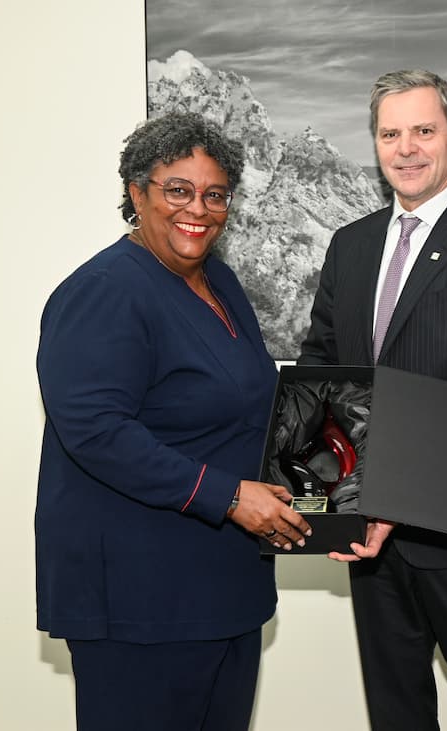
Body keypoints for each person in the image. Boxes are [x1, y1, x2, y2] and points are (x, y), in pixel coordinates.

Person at [35, 111, 312, 731]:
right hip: (141, 599)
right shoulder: (103, 290)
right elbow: (97, 432)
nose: (200, 209)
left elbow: (244, 406)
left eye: (216, 194)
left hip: (222, 588)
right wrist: (228, 496)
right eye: (178, 190)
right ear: (137, 192)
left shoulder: (218, 279)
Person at [298, 70, 447, 730]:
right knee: (396, 712)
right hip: (370, 537)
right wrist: (330, 495)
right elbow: (323, 369)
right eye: (389, 133)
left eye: (423, 131)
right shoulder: (350, 246)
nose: (405, 148)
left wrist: (378, 501)